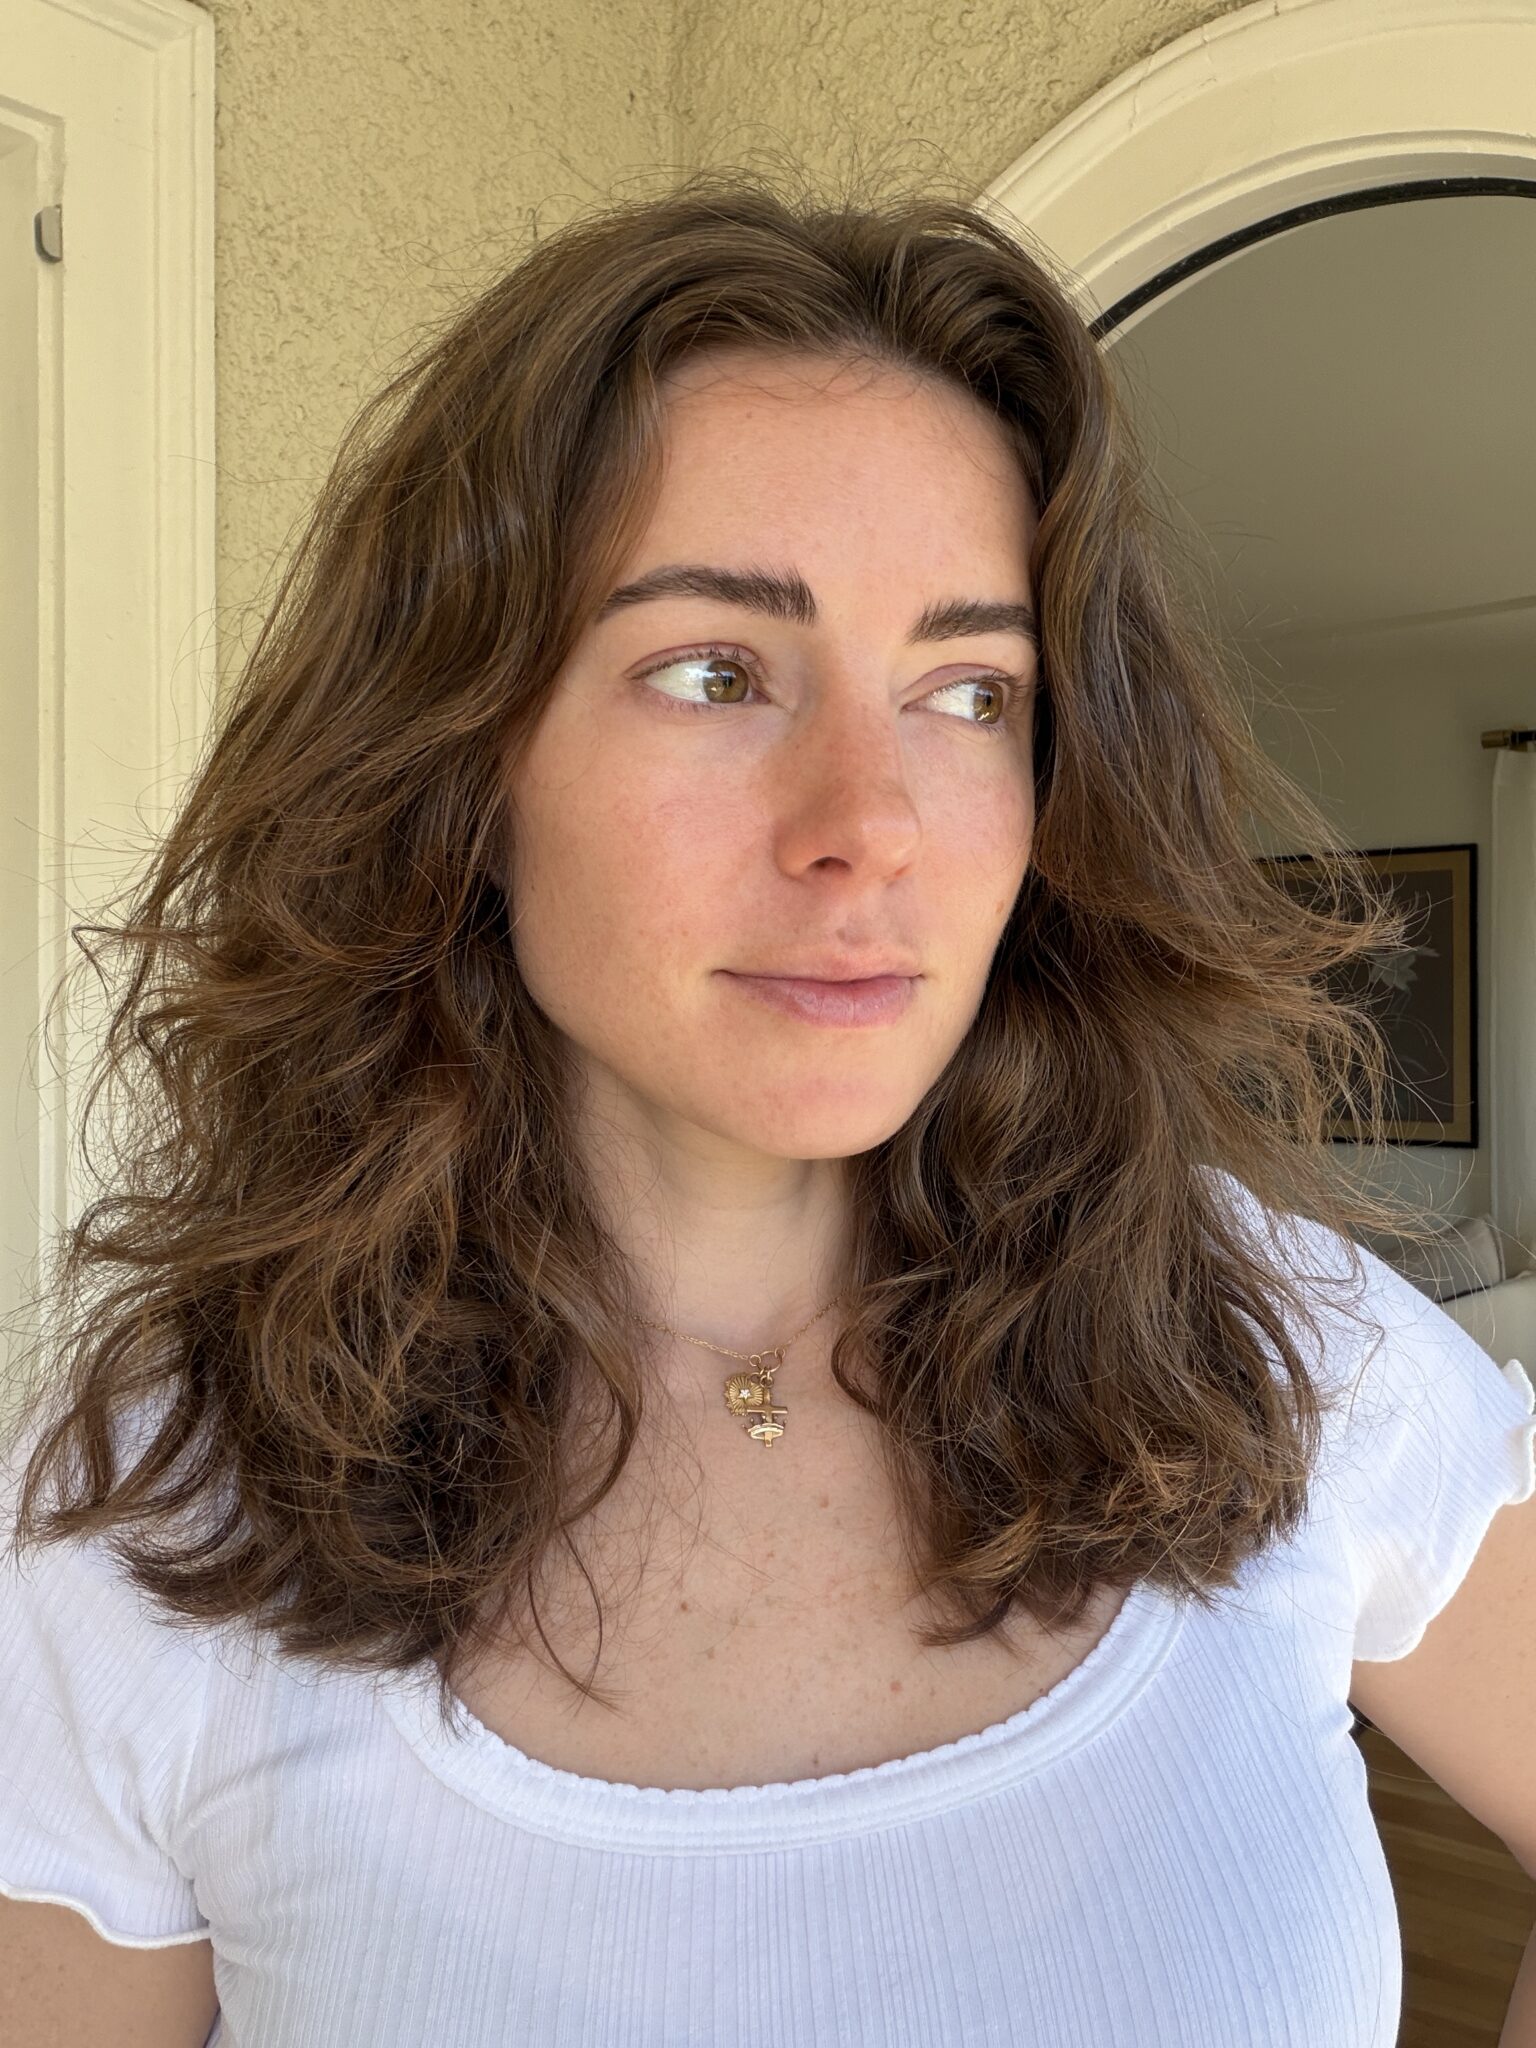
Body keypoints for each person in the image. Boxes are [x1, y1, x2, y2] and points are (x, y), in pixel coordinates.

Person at [2, 167, 1532, 2048]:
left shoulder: (1268, 1340)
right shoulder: (156, 1514)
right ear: (459, 764)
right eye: (716, 672)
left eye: (968, 692)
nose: (869, 825)